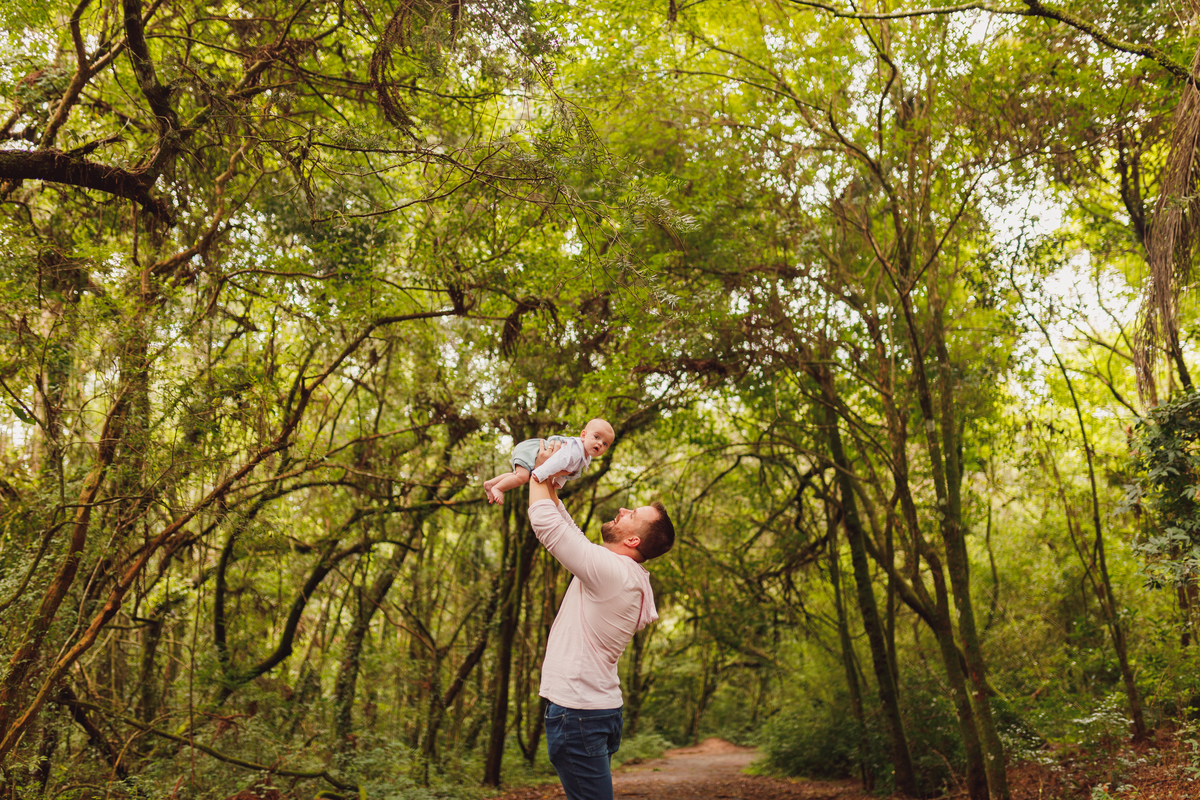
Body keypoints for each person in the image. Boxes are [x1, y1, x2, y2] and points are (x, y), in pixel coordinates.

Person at [527, 439, 675, 800]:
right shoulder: (624, 573)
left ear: (634, 538)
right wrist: (552, 479)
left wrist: (538, 471)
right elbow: (568, 529)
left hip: (579, 714)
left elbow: (545, 522)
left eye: (631, 515)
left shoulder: (612, 572)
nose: (622, 509)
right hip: (596, 711)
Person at [483, 418, 615, 505]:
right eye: (596, 437)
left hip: (533, 453)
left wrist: (558, 482)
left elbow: (567, 470)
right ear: (583, 435)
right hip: (533, 450)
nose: (599, 443)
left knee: (517, 475)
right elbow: (557, 462)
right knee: (523, 477)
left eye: (605, 443)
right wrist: (539, 473)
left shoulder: (585, 457)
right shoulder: (574, 450)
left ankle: (491, 484)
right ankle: (498, 488)